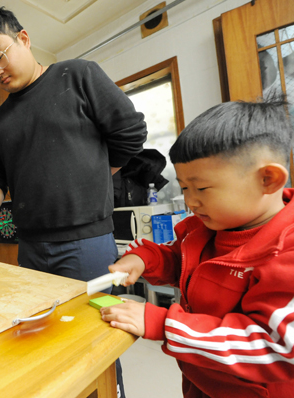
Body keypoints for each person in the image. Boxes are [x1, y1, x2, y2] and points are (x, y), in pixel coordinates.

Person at [0, 7, 147, 398]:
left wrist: (98, 173)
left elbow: (131, 132)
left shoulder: (78, 75)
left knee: (95, 342)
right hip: (32, 250)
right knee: (47, 341)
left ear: (24, 39)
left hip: (88, 245)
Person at [101, 99, 294, 398]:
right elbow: (177, 258)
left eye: (201, 188)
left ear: (268, 179)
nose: (190, 202)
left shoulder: (287, 250)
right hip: (201, 379)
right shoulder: (204, 229)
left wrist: (165, 324)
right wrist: (141, 258)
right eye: (184, 188)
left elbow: (277, 347)